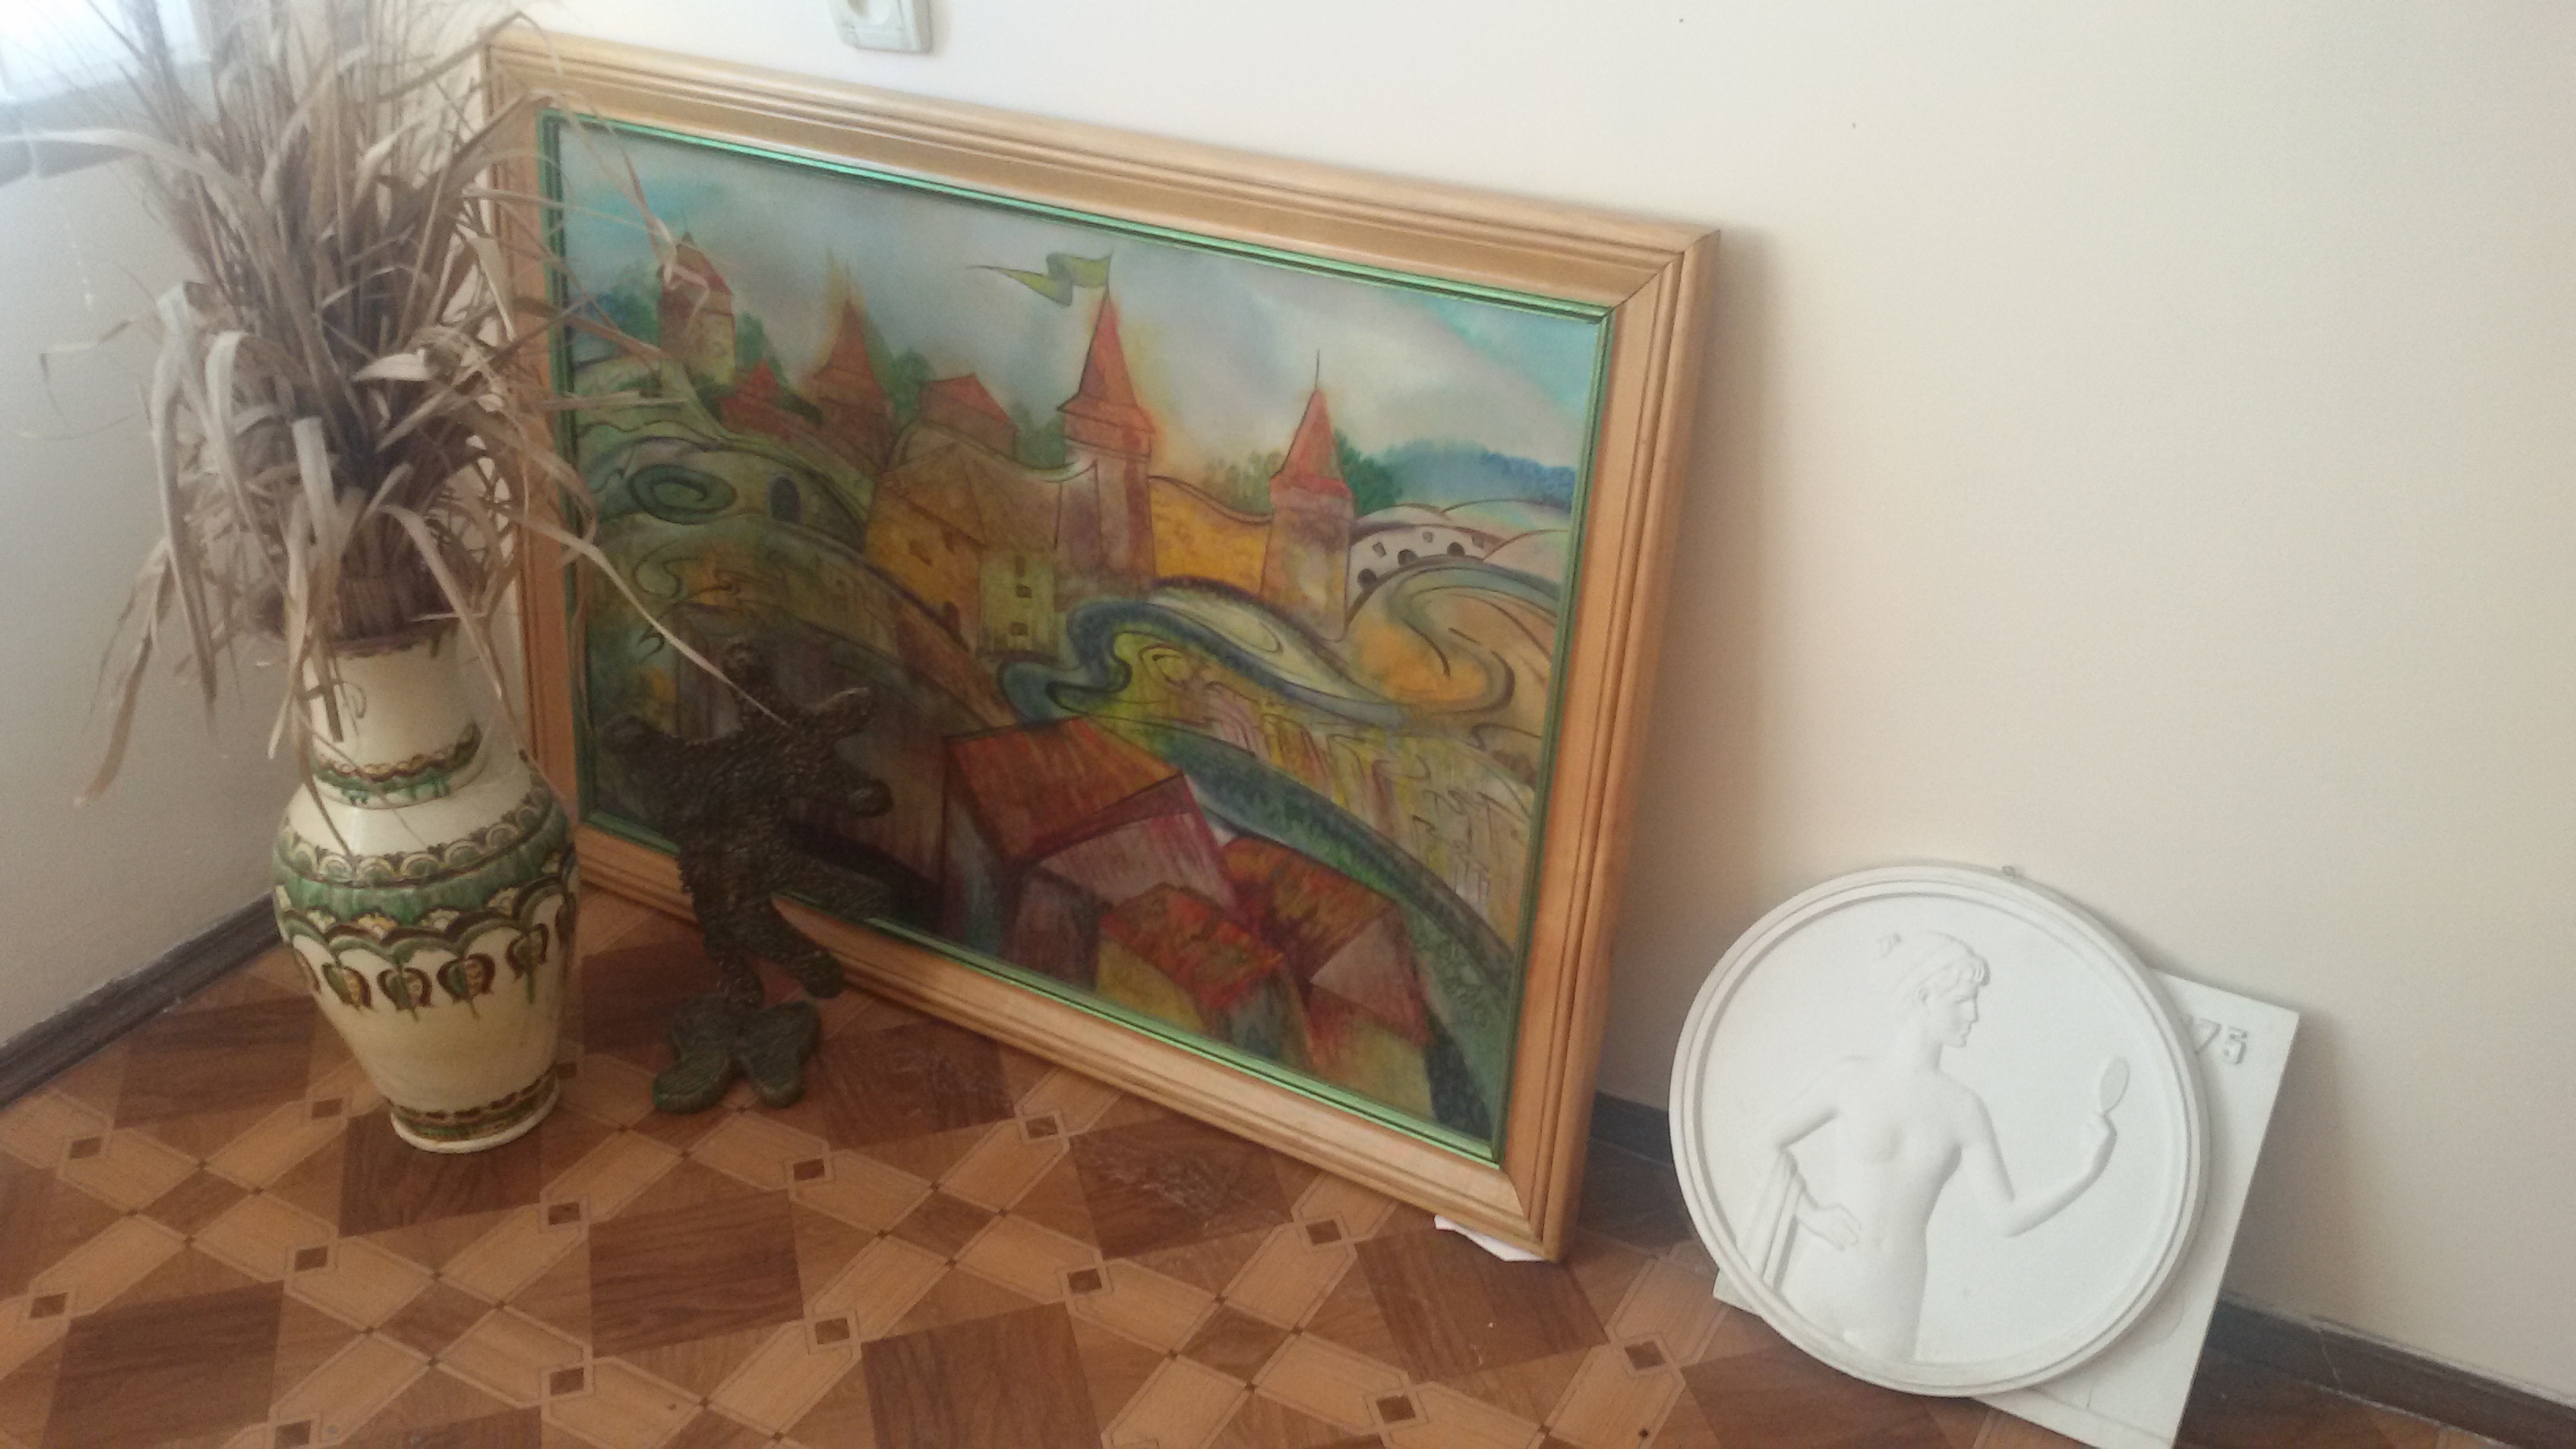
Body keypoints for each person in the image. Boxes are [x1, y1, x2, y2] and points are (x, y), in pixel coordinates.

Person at [1752, 933, 2117, 1360]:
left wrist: (2086, 1173)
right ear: (1925, 997)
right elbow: (1762, 1143)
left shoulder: (1964, 1109)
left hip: (1894, 1298)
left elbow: (2006, 1217)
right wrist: (1811, 1215)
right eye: (1962, 1001)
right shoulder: (1851, 1079)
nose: (1974, 1014)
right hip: (1824, 1277)